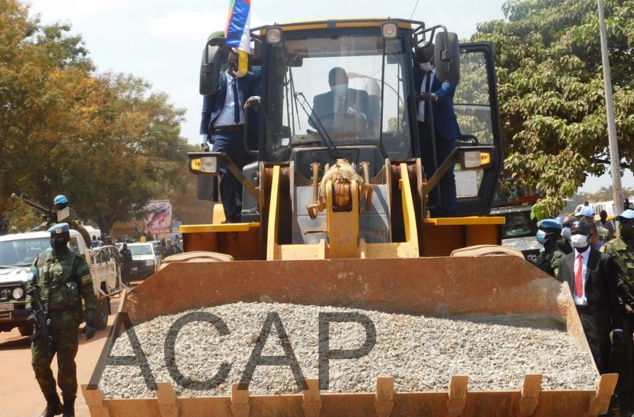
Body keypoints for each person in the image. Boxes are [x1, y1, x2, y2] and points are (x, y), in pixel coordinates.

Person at [26, 223, 96, 417]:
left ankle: (68, 408)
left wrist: (90, 321)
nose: (55, 241)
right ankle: (52, 402)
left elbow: (89, 292)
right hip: (43, 324)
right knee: (38, 362)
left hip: (67, 324)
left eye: (59, 238)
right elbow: (30, 287)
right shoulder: (39, 260)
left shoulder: (76, 261)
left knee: (65, 367)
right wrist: (30, 310)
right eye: (53, 238)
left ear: (66, 239)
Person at [199, 50, 260, 223]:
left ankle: (245, 212)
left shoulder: (250, 78)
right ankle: (231, 216)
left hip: (244, 134)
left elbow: (261, 96)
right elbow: (206, 110)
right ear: (232, 64)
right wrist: (203, 141)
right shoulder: (216, 80)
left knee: (245, 174)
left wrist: (256, 98)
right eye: (241, 65)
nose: (245, 69)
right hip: (221, 135)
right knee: (226, 176)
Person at [558, 220, 623, 378]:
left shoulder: (603, 260)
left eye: (580, 233)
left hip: (596, 317)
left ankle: (603, 395)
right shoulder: (564, 262)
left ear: (590, 235)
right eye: (574, 233)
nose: (576, 237)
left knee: (599, 356)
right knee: (577, 356)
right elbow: (561, 293)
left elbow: (613, 296)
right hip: (574, 315)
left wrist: (617, 327)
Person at [413, 42, 461, 217]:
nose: (423, 62)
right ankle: (432, 209)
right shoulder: (416, 73)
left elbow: (446, 89)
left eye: (426, 59)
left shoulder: (446, 72)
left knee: (446, 173)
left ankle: (448, 211)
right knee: (428, 174)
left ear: (434, 57)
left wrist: (432, 96)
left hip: (443, 131)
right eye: (420, 59)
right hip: (422, 131)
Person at [602, 209, 634, 416]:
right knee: (625, 358)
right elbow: (609, 283)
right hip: (625, 312)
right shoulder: (611, 249)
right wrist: (624, 304)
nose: (627, 226)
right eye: (623, 222)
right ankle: (625, 404)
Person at [309, 67, 372, 135]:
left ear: (347, 80)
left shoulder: (360, 95)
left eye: (342, 82)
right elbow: (312, 119)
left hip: (357, 139)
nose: (339, 85)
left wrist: (361, 117)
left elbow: (368, 112)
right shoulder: (320, 100)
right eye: (335, 83)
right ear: (329, 83)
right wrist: (316, 122)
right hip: (329, 140)